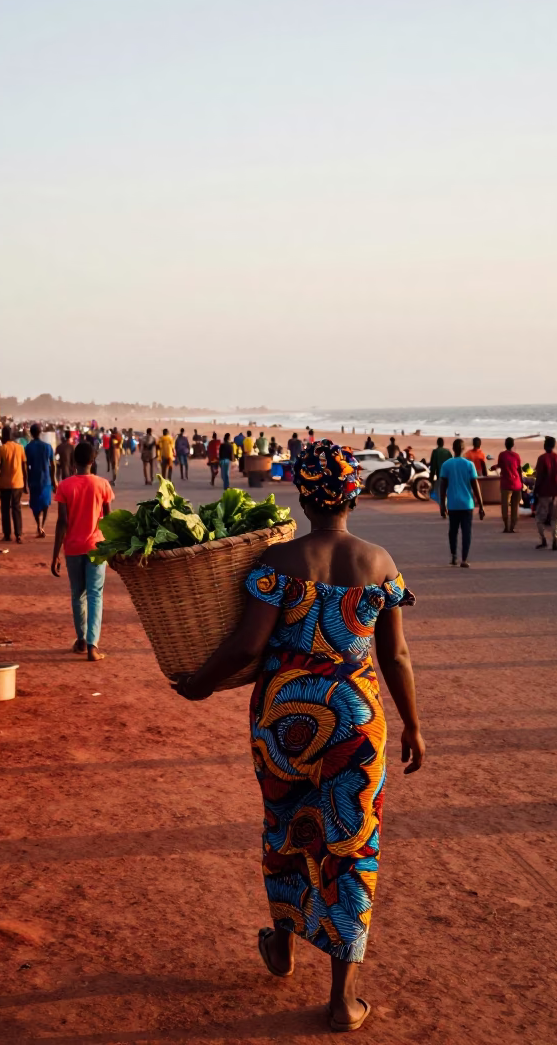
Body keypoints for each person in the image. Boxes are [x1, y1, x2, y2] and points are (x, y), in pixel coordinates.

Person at [173, 441, 424, 1032]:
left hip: (284, 722)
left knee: (286, 829)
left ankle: (283, 944)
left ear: (302, 494)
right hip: (359, 722)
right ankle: (343, 998)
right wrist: (412, 723)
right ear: (353, 493)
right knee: (350, 845)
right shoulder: (381, 563)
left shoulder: (277, 563)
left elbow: (245, 647)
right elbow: (397, 654)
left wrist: (198, 685)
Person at [51, 441, 114, 663]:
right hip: (97, 546)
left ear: (74, 460)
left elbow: (62, 522)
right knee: (95, 594)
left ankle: (80, 639)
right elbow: (109, 519)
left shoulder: (65, 486)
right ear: (93, 459)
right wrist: (113, 547)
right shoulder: (103, 485)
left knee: (78, 594)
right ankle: (92, 645)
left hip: (73, 547)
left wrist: (55, 554)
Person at [439, 438, 485, 567]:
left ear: (453, 449)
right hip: (467, 504)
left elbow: (442, 487)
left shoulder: (446, 465)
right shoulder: (469, 465)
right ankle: (464, 559)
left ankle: (454, 556)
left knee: (452, 531)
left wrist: (442, 504)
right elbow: (475, 486)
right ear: (463, 449)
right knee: (466, 532)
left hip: (453, 504)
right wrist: (481, 505)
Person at [0, 425, 28, 543]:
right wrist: (25, 484)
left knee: (5, 510)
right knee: (16, 509)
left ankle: (7, 535)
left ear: (3, 435)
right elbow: (24, 467)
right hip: (18, 483)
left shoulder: (1, 449)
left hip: (4, 484)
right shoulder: (20, 448)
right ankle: (19, 534)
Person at [533, 436, 557, 551]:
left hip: (545, 492)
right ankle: (555, 540)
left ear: (545, 445)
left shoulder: (542, 458)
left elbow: (539, 477)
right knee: (555, 518)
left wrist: (535, 491)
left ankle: (544, 540)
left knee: (540, 518)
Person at [25, 423, 57, 538]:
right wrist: (54, 480)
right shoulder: (47, 447)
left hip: (33, 479)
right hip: (46, 479)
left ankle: (38, 525)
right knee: (46, 503)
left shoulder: (28, 447)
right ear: (40, 432)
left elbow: (26, 466)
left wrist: (26, 481)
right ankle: (42, 525)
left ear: (31, 433)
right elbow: (53, 465)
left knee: (34, 504)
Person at [496, 437, 523, 533]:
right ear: (513, 445)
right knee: (515, 507)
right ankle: (512, 527)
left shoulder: (502, 455)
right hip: (516, 484)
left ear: (505, 444)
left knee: (505, 506)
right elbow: (519, 470)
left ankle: (506, 527)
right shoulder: (516, 456)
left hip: (506, 484)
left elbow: (500, 465)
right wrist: (522, 482)